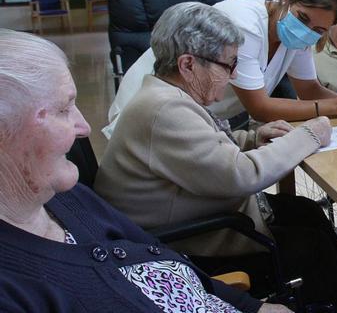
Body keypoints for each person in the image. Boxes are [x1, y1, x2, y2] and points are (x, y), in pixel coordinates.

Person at [93, 2, 337, 312]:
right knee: (312, 245)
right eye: (227, 65)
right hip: (182, 243)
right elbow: (242, 176)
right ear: (187, 65)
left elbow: (202, 150)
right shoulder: (164, 110)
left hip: (191, 218)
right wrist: (310, 134)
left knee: (305, 211)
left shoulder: (165, 96)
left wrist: (252, 138)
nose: (234, 73)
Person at [0, 29, 287, 313]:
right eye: (64, 109)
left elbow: (165, 258)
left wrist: (251, 306)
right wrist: (311, 134)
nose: (84, 127)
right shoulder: (13, 290)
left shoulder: (67, 198)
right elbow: (239, 175)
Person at [104, 0, 337, 139]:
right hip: (150, 114)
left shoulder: (300, 32)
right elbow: (259, 108)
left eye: (318, 29)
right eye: (302, 19)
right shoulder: (244, 22)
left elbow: (309, 89)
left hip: (201, 119)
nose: (307, 32)